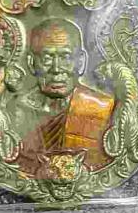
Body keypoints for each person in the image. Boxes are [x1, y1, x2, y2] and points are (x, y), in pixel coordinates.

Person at [7, 17, 115, 175]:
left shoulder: (101, 109)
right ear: (31, 63)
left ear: (81, 62)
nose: (56, 69)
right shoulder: (16, 110)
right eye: (47, 58)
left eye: (65, 57)